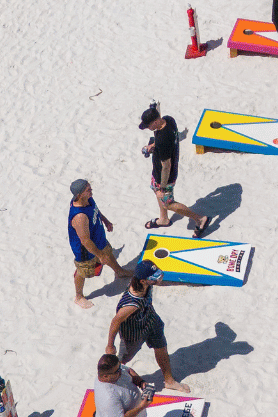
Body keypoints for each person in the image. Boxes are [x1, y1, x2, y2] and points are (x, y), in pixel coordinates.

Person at [106, 264, 190, 394]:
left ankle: (169, 381)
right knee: (122, 361)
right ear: (143, 281)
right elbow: (115, 322)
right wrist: (110, 345)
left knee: (161, 348)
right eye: (155, 277)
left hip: (151, 321)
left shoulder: (146, 283)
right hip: (133, 334)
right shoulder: (131, 304)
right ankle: (110, 382)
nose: (159, 278)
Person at [136, 104, 208, 235]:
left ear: (156, 122)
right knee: (155, 190)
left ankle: (200, 219)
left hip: (166, 177)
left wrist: (163, 187)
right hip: (158, 171)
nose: (148, 129)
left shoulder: (163, 140)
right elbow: (161, 137)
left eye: (149, 126)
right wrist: (153, 145)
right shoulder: (169, 120)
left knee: (168, 203)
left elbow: (166, 166)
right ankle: (163, 219)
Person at [68, 178, 130, 309]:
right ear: (79, 195)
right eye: (88, 190)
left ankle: (119, 272)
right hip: (86, 250)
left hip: (99, 238)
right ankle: (78, 296)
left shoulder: (88, 200)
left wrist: (105, 220)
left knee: (109, 254)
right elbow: (85, 240)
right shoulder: (79, 216)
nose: (91, 190)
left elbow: (96, 210)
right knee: (82, 271)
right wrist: (99, 256)